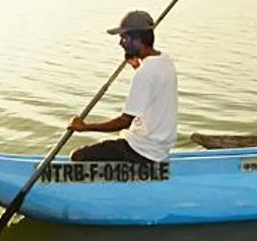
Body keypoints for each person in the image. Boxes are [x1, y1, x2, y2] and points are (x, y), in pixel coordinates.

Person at [68, 10, 179, 163]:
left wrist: (85, 127)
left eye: (124, 38)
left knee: (77, 157)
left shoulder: (145, 73)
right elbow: (152, 86)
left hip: (142, 150)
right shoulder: (165, 60)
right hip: (160, 147)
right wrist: (136, 66)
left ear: (138, 40)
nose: (120, 43)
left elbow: (124, 121)